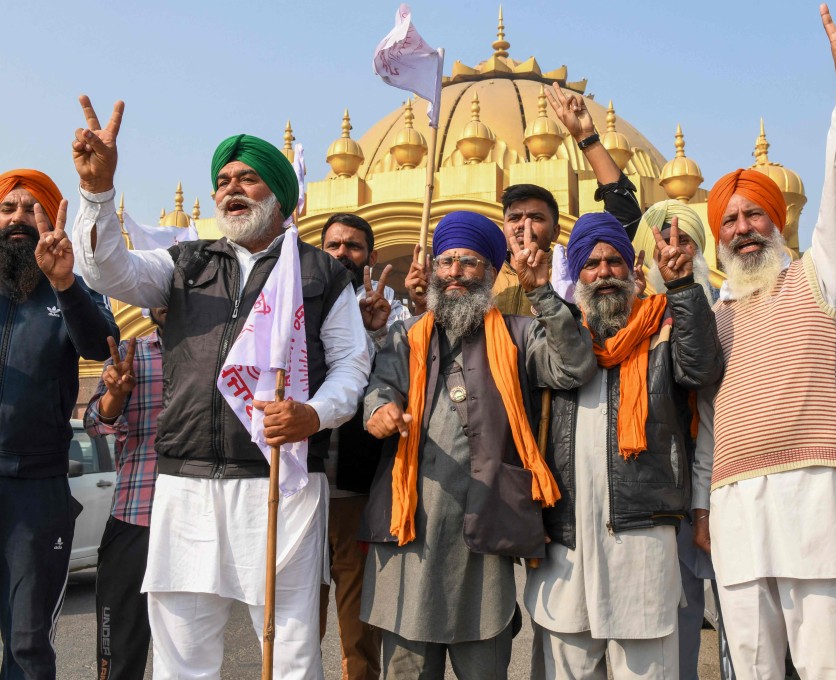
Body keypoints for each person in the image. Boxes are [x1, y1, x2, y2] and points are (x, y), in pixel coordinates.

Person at [70, 96, 371, 680]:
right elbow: (107, 271)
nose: (231, 188)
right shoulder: (184, 263)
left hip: (278, 480)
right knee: (182, 653)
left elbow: (351, 366)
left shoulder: (320, 271)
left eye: (248, 178)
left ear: (279, 194)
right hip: (184, 484)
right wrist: (98, 194)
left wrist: (314, 415)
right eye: (223, 180)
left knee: (288, 651)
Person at [690, 2, 836, 677]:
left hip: (816, 504)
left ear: (777, 223)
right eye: (730, 220)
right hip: (737, 512)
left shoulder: (818, 278)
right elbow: (708, 418)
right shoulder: (715, 320)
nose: (741, 228)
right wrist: (704, 504)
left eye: (754, 216)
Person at [358, 211, 595, 679]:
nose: (454, 273)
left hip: (485, 534)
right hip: (411, 536)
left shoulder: (518, 334)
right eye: (446, 261)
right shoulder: (407, 338)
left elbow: (575, 367)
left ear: (489, 271)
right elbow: (379, 388)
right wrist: (380, 410)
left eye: (468, 262)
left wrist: (540, 293)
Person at [523, 212, 722, 679]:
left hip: (641, 543)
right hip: (567, 545)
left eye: (614, 261)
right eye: (591, 264)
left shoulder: (663, 331)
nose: (604, 273)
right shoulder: (554, 336)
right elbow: (565, 371)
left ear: (633, 266)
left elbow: (700, 371)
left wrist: (684, 287)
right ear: (576, 274)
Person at [0, 168, 117, 679]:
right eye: (9, 209)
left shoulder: (68, 288)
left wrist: (65, 283)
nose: (19, 219)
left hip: (37, 489)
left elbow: (100, 345)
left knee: (27, 642)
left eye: (32, 210)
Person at [405, 82, 642, 317]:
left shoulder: (574, 270)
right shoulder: (482, 274)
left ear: (557, 230)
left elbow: (625, 215)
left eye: (536, 217)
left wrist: (586, 136)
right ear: (504, 226)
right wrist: (421, 301)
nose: (523, 225)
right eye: (515, 217)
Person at [634, 201, 732, 680]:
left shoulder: (721, 310)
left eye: (686, 240)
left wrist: (703, 507)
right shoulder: (629, 318)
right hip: (655, 495)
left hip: (718, 485)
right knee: (668, 620)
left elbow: (705, 392)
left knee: (737, 617)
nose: (674, 250)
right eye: (663, 241)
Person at [318, 212, 409, 680]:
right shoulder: (302, 307)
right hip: (303, 490)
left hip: (358, 491)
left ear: (371, 256)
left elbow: (391, 385)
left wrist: (372, 332)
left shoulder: (392, 316)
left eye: (352, 247)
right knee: (295, 623)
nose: (341, 255)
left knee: (358, 631)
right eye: (333, 246)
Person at [84, 308, 167, 680]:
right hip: (136, 519)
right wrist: (115, 396)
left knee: (188, 648)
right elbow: (94, 424)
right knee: (118, 651)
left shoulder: (225, 354)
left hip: (200, 519)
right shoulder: (134, 355)